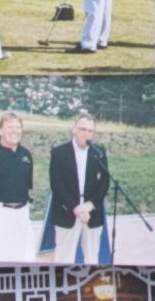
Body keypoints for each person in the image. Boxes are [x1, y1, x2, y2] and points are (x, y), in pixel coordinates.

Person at [46, 113, 117, 266]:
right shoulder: (58, 153)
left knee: (92, 259)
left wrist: (89, 206)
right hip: (67, 212)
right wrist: (75, 208)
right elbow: (56, 184)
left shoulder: (99, 152)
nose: (86, 134)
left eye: (90, 131)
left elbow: (104, 183)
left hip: (92, 213)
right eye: (83, 129)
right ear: (74, 129)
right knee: (63, 258)